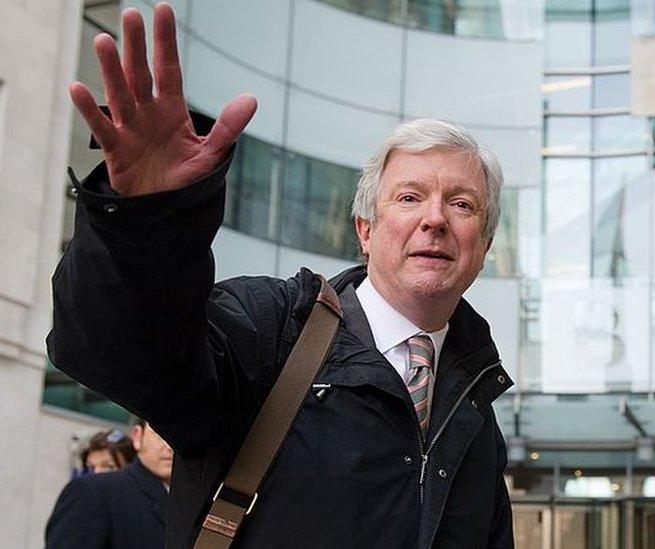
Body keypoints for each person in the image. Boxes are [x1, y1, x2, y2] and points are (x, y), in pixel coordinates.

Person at [47, 3, 514, 547]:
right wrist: (148, 222)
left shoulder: (475, 408)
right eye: (409, 198)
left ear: (484, 245)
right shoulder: (269, 333)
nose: (434, 218)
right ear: (365, 231)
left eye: (461, 204)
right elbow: (120, 353)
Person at [46, 420, 173, 548]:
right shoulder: (92, 491)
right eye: (160, 434)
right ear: (137, 436)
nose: (169, 446)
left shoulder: (187, 503)